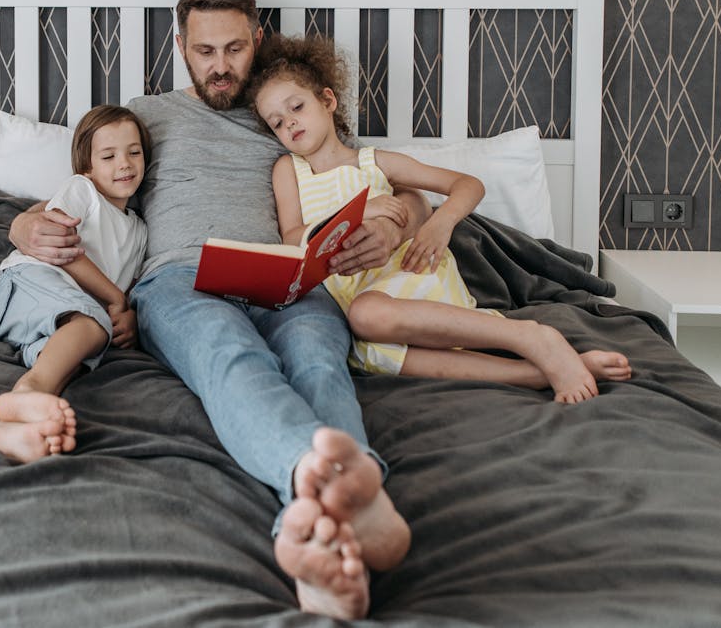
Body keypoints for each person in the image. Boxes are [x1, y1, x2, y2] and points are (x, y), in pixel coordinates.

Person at [9, 0, 420, 620]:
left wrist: (400, 221)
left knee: (316, 359)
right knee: (231, 357)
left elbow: (384, 176)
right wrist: (20, 224)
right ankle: (347, 498)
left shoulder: (285, 110)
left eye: (234, 48)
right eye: (205, 51)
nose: (221, 65)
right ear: (181, 47)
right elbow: (82, 182)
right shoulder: (148, 114)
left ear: (258, 39)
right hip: (181, 276)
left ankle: (315, 532)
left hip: (285, 276)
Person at [249, 34, 632, 403]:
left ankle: (526, 336)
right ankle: (539, 371)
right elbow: (292, 238)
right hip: (357, 301)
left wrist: (439, 223)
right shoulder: (289, 169)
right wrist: (357, 213)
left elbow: (467, 184)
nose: (290, 124)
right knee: (376, 351)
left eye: (296, 107)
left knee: (368, 315)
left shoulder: (375, 163)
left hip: (407, 274)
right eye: (277, 122)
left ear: (327, 100)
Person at [0, 105, 150, 463]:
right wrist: (114, 299)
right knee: (90, 324)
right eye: (109, 156)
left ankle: (11, 428)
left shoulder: (139, 230)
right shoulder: (82, 191)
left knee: (79, 354)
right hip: (27, 281)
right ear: (87, 166)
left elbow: (127, 287)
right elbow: (64, 250)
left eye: (134, 152)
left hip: (58, 314)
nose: (125, 164)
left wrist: (127, 313)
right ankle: (28, 392)